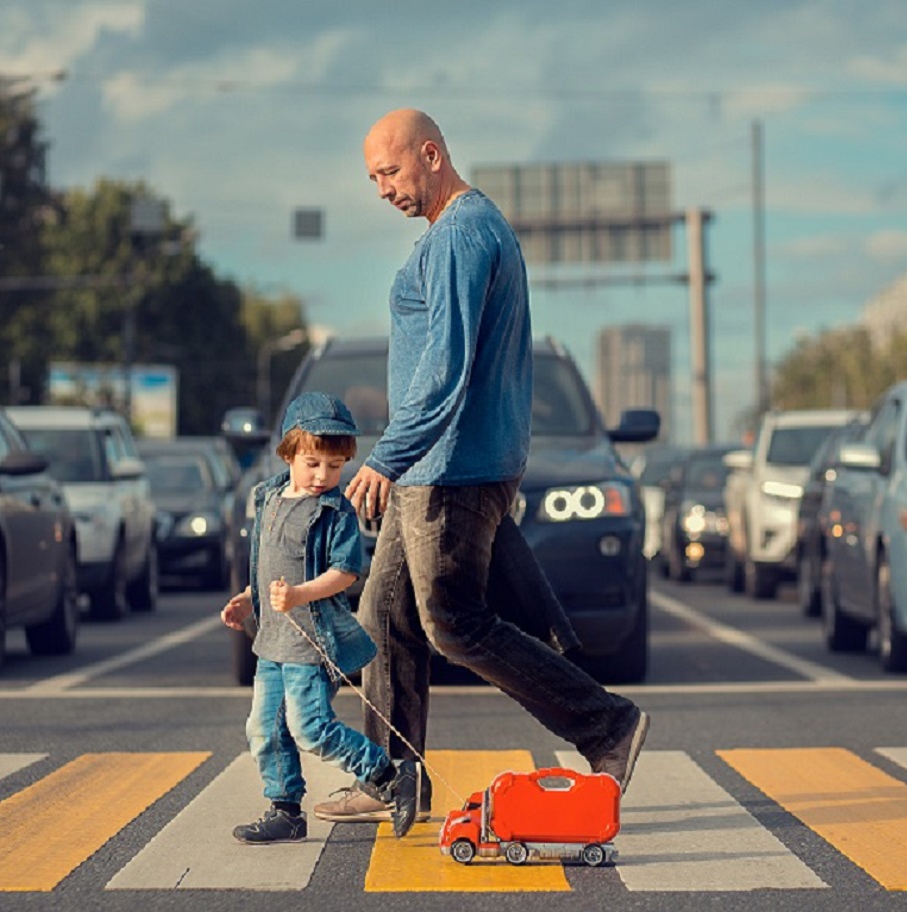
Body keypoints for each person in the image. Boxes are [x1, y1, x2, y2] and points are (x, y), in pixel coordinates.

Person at [312, 109, 649, 827]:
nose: (381, 190)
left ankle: (607, 726)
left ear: (430, 155)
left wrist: (390, 456)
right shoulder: (451, 233)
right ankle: (391, 778)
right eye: (372, 178)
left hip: (451, 468)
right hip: (432, 468)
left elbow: (445, 368)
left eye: (390, 172)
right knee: (384, 618)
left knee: (452, 624)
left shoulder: (463, 234)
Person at [220, 392, 418, 844]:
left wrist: (299, 596)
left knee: (309, 728)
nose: (323, 476)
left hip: (312, 642)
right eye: (312, 463)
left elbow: (345, 573)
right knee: (264, 729)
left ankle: (389, 774)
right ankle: (286, 810)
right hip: (272, 641)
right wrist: (250, 598)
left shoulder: (335, 511)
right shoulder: (268, 497)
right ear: (289, 452)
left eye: (334, 466)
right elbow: (270, 564)